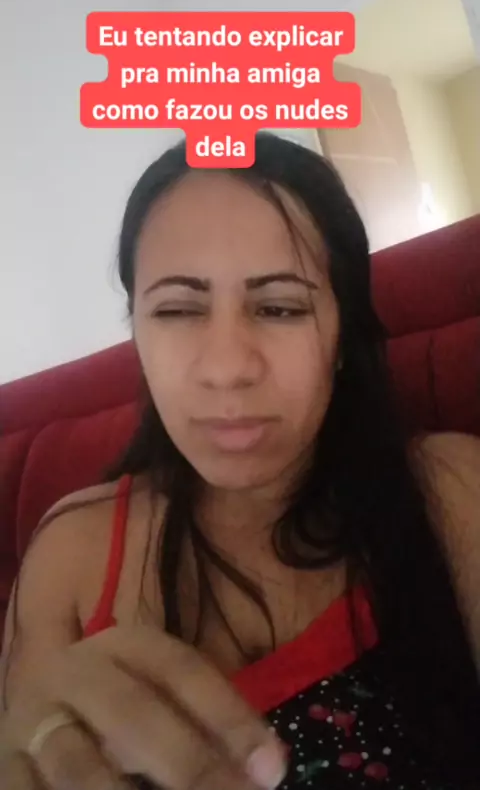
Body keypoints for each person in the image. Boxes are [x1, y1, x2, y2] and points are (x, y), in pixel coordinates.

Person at [1, 133, 480, 790]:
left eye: (280, 307)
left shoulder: (449, 490)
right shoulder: (70, 552)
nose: (227, 368)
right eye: (177, 309)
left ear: (343, 336)